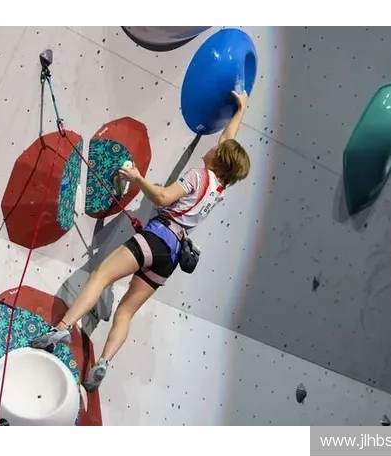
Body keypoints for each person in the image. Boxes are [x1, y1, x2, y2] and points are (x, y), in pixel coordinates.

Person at [30, 90, 251, 392]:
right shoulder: (218, 189)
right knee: (125, 311)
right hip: (171, 256)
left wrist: (136, 178)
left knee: (101, 276)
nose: (214, 145)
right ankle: (104, 362)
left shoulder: (199, 176)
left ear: (219, 158)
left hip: (157, 237)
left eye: (218, 148)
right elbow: (229, 138)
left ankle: (61, 329)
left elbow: (163, 196)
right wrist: (241, 109)